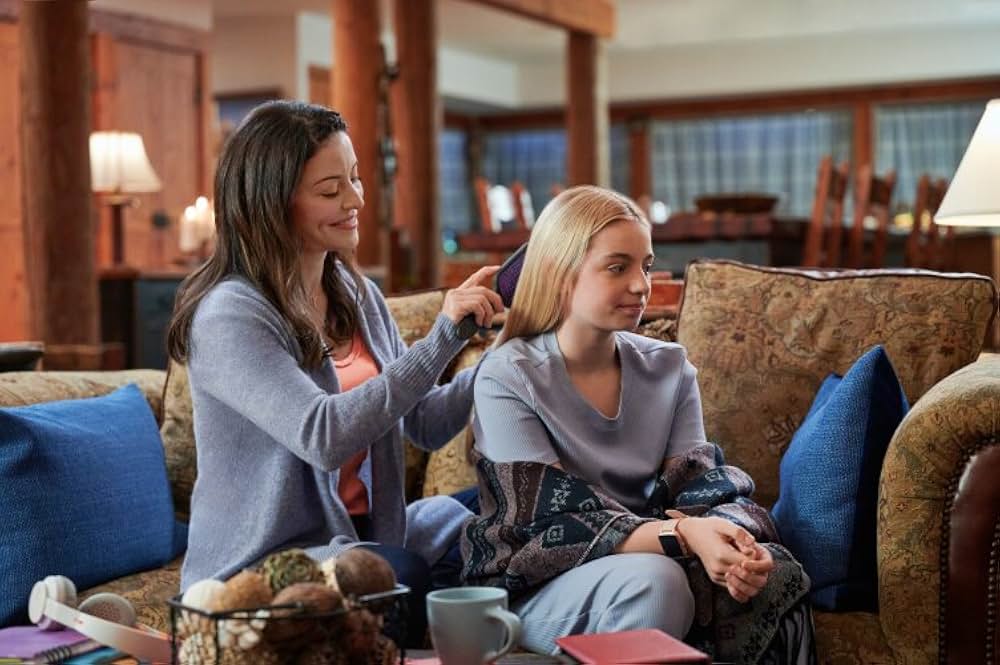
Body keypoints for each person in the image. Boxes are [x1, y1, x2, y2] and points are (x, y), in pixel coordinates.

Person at [165, 100, 502, 643]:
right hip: (271, 564)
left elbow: (426, 424)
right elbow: (322, 435)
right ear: (273, 205)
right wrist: (442, 337)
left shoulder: (354, 293)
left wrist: (505, 354)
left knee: (501, 518)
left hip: (366, 539)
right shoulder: (230, 313)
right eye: (330, 190)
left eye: (355, 179)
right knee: (404, 581)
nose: (355, 201)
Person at [461, 186, 814, 664]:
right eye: (617, 267)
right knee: (655, 580)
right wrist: (685, 536)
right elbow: (546, 526)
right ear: (561, 274)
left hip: (646, 563)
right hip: (531, 585)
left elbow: (702, 488)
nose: (641, 285)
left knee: (774, 575)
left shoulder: (670, 368)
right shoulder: (507, 374)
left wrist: (730, 542)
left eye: (646, 265)